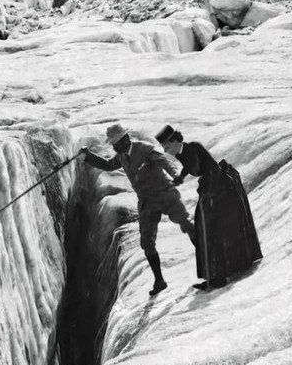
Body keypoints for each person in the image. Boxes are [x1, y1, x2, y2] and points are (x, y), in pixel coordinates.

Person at [81, 124, 195, 296]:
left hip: (165, 195)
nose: (114, 147)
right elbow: (108, 165)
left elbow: (164, 161)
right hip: (147, 202)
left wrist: (175, 175)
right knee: (147, 242)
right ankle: (159, 281)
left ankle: (206, 261)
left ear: (125, 139)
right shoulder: (121, 156)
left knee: (186, 225)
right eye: (113, 144)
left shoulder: (145, 150)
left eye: (116, 143)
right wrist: (88, 156)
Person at [158, 126, 263, 290]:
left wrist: (212, 195)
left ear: (174, 141)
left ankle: (220, 276)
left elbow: (204, 167)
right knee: (205, 231)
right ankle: (214, 275)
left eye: (166, 145)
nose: (165, 150)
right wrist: (180, 177)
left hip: (221, 188)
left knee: (214, 231)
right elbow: (190, 166)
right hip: (210, 188)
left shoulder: (193, 147)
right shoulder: (181, 153)